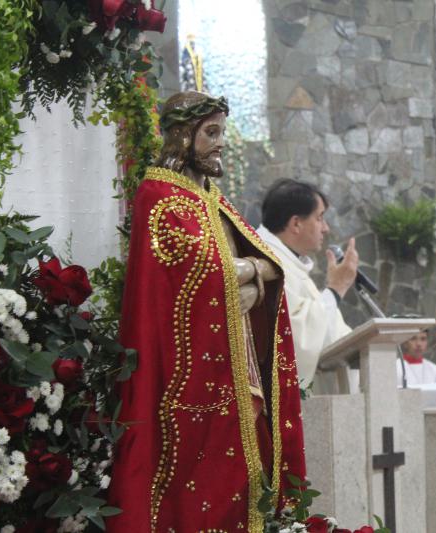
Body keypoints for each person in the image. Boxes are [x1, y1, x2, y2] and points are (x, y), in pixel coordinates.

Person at [109, 91, 306, 532]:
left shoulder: (209, 196)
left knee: (248, 457)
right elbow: (199, 272)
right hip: (191, 372)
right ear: (183, 135)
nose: (219, 142)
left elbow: (258, 263)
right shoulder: (159, 195)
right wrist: (254, 272)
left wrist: (253, 274)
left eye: (221, 131)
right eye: (210, 132)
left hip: (237, 361)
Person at [256, 179, 358, 388]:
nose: (326, 228)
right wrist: (336, 289)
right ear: (296, 224)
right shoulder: (268, 265)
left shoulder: (288, 262)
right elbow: (293, 337)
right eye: (320, 218)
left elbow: (330, 335)